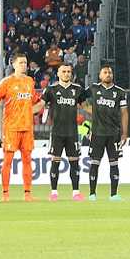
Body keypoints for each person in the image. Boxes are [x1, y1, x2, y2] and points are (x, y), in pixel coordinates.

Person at [0, 55, 43, 201]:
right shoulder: (6, 82)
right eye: (20, 62)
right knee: (7, 160)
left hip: (27, 127)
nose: (24, 65)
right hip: (11, 127)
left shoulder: (29, 81)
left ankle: (28, 194)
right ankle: (5, 193)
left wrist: (35, 108)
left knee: (27, 160)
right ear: (13, 64)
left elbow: (37, 101)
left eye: (25, 62)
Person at [41, 64, 87, 201]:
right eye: (64, 71)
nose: (67, 74)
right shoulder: (51, 89)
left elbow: (85, 107)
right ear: (59, 73)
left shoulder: (78, 89)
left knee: (74, 162)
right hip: (57, 132)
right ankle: (54, 192)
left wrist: (101, 113)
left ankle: (76, 192)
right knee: (55, 161)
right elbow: (40, 105)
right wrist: (27, 112)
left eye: (69, 72)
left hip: (72, 132)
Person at [85, 64, 128, 201]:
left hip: (114, 133)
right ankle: (92, 193)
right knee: (94, 163)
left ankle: (114, 194)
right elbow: (79, 99)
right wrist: (90, 110)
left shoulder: (120, 92)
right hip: (97, 133)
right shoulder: (93, 88)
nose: (108, 74)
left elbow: (124, 112)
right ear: (100, 75)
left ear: (112, 75)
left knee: (114, 163)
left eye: (110, 72)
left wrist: (124, 133)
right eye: (105, 72)